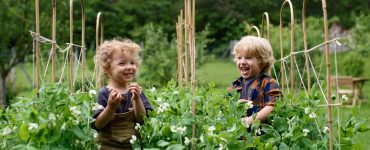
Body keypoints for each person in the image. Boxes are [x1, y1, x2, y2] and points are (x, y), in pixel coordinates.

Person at [91, 39, 153, 149]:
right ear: (107, 69)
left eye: (132, 62)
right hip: (109, 146)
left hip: (133, 146)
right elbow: (98, 124)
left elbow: (142, 119)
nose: (129, 67)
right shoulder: (104, 93)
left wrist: (137, 99)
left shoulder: (136, 91)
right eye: (122, 63)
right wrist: (110, 107)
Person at [227, 36, 281, 128]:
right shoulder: (235, 85)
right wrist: (235, 105)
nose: (242, 62)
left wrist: (250, 121)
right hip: (238, 133)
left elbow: (272, 107)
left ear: (262, 61)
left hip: (261, 134)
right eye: (239, 58)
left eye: (248, 58)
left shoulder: (268, 83)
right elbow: (226, 107)